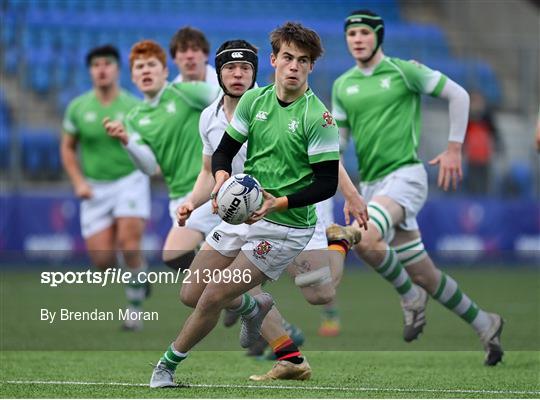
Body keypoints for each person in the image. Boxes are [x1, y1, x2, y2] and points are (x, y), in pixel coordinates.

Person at [149, 22, 342, 388]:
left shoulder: (318, 117)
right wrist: (222, 181)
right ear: (274, 60)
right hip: (243, 214)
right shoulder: (255, 101)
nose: (294, 66)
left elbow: (327, 183)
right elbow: (223, 153)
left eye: (303, 60)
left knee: (216, 294)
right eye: (287, 57)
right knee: (191, 293)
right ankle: (255, 307)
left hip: (285, 225)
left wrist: (278, 203)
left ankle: (166, 367)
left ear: (311, 67)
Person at [330, 9, 504, 366]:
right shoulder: (342, 84)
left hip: (406, 176)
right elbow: (338, 143)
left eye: (364, 32)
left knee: (364, 235)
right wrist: (339, 180)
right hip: (373, 183)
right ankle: (486, 323)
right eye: (352, 34)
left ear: (378, 36)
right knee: (424, 273)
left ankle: (409, 298)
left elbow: (459, 95)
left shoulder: (402, 70)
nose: (358, 39)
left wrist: (455, 148)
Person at [103, 40, 220, 280]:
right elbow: (147, 166)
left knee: (175, 255)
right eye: (139, 67)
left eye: (151, 65)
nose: (145, 70)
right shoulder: (134, 118)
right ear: (133, 77)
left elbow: (227, 100)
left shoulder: (186, 92)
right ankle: (242, 302)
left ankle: (237, 299)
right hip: (178, 198)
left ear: (165, 71)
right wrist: (126, 141)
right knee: (203, 283)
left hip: (206, 190)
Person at [60, 44, 151, 331]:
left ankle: (134, 312)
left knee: (129, 245)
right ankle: (139, 275)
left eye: (107, 63)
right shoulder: (78, 107)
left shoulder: (133, 106)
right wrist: (78, 182)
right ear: (90, 70)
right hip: (95, 188)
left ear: (116, 69)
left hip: (130, 181)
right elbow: (67, 148)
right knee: (103, 261)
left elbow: (145, 146)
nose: (101, 69)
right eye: (96, 64)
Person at [463, 91, 502, 195]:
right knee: (472, 184)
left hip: (484, 157)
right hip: (471, 157)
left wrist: (498, 147)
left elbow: (495, 134)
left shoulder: (488, 118)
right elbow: (461, 136)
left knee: (484, 185)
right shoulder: (466, 118)